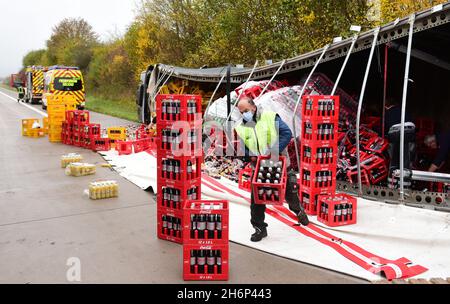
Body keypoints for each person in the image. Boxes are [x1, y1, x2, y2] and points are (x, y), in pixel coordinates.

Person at [234, 97, 309, 242]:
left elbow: (286, 133)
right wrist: (251, 156)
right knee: (257, 199)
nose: (244, 115)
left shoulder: (270, 117)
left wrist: (274, 152)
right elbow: (244, 148)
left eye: (246, 111)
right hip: (259, 168)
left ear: (254, 108)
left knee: (289, 193)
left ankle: (298, 210)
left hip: (279, 163)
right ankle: (259, 228)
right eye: (241, 112)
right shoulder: (241, 127)